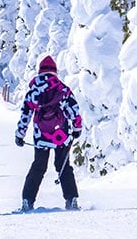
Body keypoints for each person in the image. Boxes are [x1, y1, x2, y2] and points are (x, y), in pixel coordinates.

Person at [15, 55, 82, 212]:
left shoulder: (34, 91)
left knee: (38, 167)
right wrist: (77, 128)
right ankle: (71, 199)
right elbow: (74, 110)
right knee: (63, 167)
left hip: (41, 137)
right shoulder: (62, 88)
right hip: (61, 135)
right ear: (54, 71)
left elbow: (26, 114)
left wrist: (20, 134)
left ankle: (27, 200)